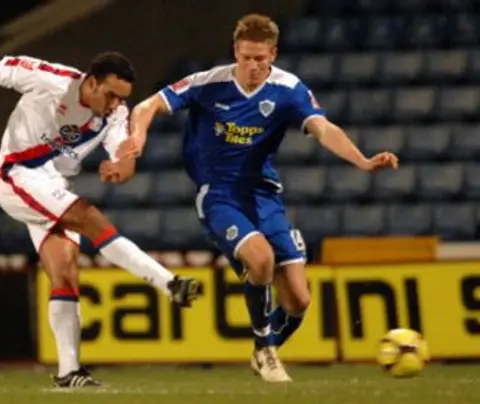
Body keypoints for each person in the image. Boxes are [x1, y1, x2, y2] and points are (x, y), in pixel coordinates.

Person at [0, 52, 203, 388]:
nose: (116, 103)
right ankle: (169, 284)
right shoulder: (50, 79)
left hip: (53, 187)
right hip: (15, 174)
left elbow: (124, 156)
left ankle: (69, 372)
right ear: (90, 82)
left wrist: (120, 167)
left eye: (122, 97)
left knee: (65, 271)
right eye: (111, 94)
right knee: (88, 217)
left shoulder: (116, 113)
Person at [123, 14, 399, 382]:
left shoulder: (289, 89)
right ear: (236, 52)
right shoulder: (210, 83)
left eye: (260, 59)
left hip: (264, 195)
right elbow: (147, 106)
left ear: (273, 54)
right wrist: (137, 138)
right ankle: (266, 349)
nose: (252, 66)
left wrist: (362, 161)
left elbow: (322, 128)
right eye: (246, 57)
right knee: (262, 260)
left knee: (299, 301)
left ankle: (262, 348)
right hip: (218, 194)